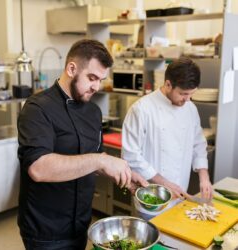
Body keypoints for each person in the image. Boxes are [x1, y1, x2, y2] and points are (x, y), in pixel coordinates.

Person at [17, 39, 148, 250]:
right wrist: (101, 160)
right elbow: (38, 168)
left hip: (81, 225)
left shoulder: (93, 112)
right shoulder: (37, 109)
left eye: (101, 79)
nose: (97, 86)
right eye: (92, 78)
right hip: (46, 231)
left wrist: (124, 174)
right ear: (71, 68)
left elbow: (93, 163)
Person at [122, 57, 213, 220]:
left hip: (180, 195)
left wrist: (204, 177)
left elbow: (198, 144)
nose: (187, 100)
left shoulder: (190, 108)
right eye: (183, 94)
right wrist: (163, 182)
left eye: (191, 94)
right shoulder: (141, 109)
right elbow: (130, 156)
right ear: (168, 84)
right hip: (152, 199)